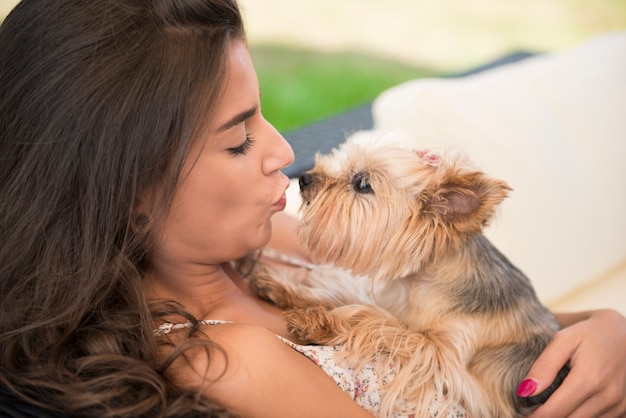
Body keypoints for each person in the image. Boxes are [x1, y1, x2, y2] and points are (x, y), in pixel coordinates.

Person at [0, 0, 624, 417]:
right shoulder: (229, 360)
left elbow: (482, 330)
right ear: (126, 195)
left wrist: (604, 329)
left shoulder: (270, 242)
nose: (284, 152)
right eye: (239, 140)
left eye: (263, 116)